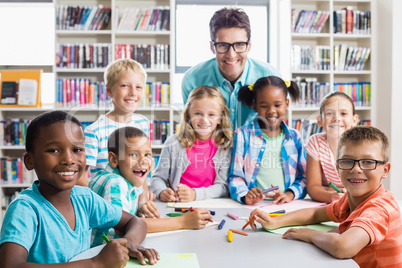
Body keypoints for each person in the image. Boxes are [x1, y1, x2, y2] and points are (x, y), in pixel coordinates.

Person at [0, 111, 159, 267]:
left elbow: (135, 221)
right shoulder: (25, 209)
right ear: (29, 161)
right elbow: (10, 264)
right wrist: (95, 263)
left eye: (77, 150)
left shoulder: (85, 199)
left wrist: (129, 242)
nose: (69, 159)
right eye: (54, 150)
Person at [249, 126, 402, 267]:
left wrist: (309, 234)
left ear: (385, 170)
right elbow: (315, 213)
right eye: (347, 161)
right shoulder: (348, 200)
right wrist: (275, 221)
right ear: (337, 167)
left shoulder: (379, 208)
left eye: (368, 162)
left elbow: (343, 246)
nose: (356, 169)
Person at [89, 126, 213, 247]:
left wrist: (139, 205)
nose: (143, 161)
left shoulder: (120, 177)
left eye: (147, 155)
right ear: (114, 159)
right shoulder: (115, 182)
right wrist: (183, 222)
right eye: (133, 154)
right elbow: (125, 229)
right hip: (100, 253)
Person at [181, 7, 281, 129]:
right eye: (223, 45)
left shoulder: (270, 77)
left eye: (239, 44)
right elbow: (193, 131)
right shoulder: (192, 80)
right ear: (212, 47)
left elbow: (275, 128)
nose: (231, 55)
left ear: (249, 46)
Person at [229, 76, 307, 205]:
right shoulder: (243, 135)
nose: (271, 111)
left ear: (286, 104)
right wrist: (244, 195)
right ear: (255, 106)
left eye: (277, 105)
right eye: (264, 106)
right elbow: (235, 177)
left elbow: (303, 177)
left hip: (287, 205)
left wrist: (290, 194)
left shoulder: (295, 137)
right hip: (254, 206)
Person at [151, 86, 232, 202]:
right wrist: (162, 191)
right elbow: (158, 178)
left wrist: (195, 194)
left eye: (211, 115)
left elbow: (223, 186)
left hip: (210, 205)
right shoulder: (173, 143)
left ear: (220, 118)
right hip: (178, 205)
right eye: (198, 113)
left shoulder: (224, 146)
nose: (204, 120)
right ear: (188, 115)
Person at [83, 58, 149, 186]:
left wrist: (144, 198)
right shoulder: (94, 131)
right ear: (109, 90)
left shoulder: (143, 123)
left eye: (139, 87)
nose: (133, 93)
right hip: (106, 201)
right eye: (125, 85)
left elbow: (142, 166)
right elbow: (81, 177)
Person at [306, 92, 358, 203]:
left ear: (354, 120)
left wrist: (327, 190)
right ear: (320, 121)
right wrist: (330, 196)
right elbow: (313, 188)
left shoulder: (361, 144)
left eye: (343, 113)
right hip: (330, 202)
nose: (336, 118)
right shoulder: (315, 142)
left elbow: (362, 186)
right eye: (329, 113)